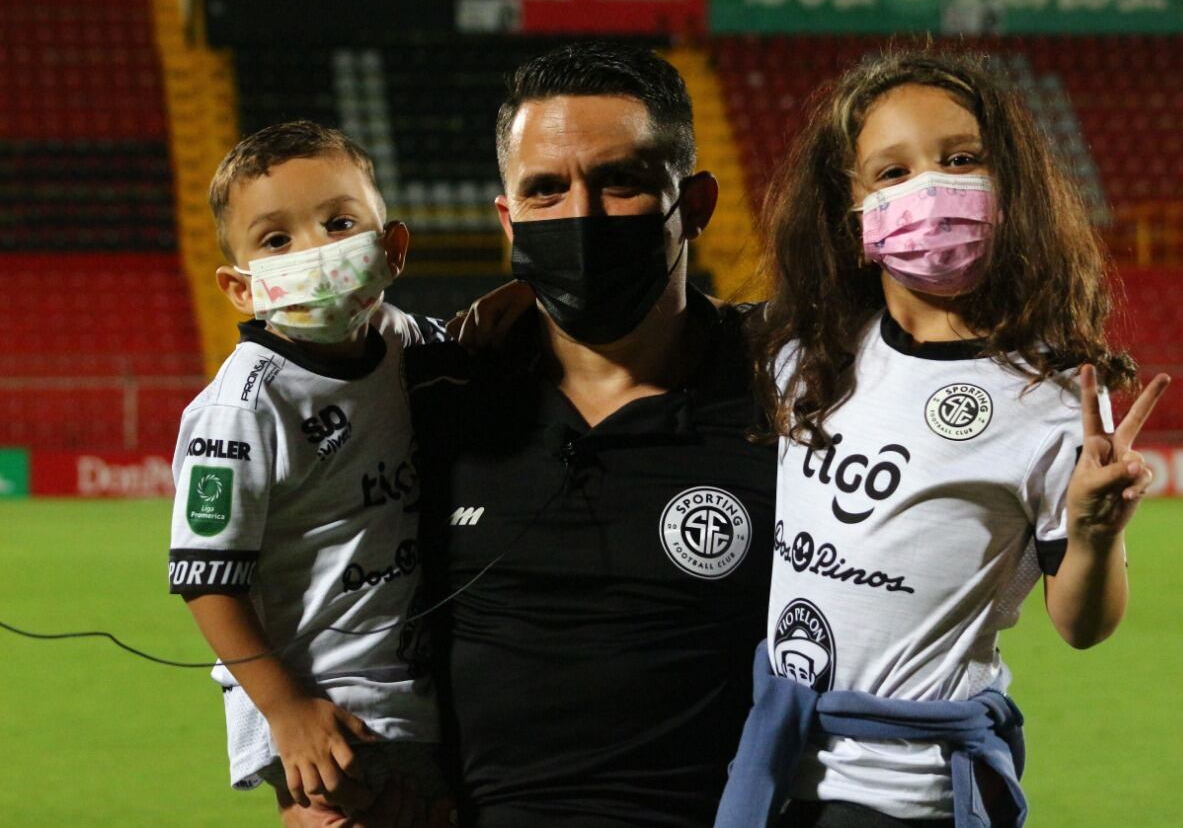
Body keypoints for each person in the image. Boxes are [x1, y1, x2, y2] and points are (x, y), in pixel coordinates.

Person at [714, 49, 1170, 828]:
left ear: (1008, 188)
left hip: (906, 796)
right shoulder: (805, 351)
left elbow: (1082, 625)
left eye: (960, 159)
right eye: (890, 173)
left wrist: (1093, 533)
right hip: (775, 765)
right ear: (850, 213)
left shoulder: (1050, 399)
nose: (928, 188)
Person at [406, 42, 777, 828]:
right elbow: (320, 588)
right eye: (546, 190)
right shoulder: (432, 399)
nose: (582, 215)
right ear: (508, 218)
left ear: (696, 203)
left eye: (621, 182)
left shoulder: (791, 402)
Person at [168, 120, 449, 827]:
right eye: (276, 240)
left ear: (393, 249)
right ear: (240, 287)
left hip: (425, 693)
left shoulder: (404, 341)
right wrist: (285, 709)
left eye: (339, 222)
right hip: (320, 711)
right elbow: (206, 577)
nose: (316, 250)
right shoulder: (242, 407)